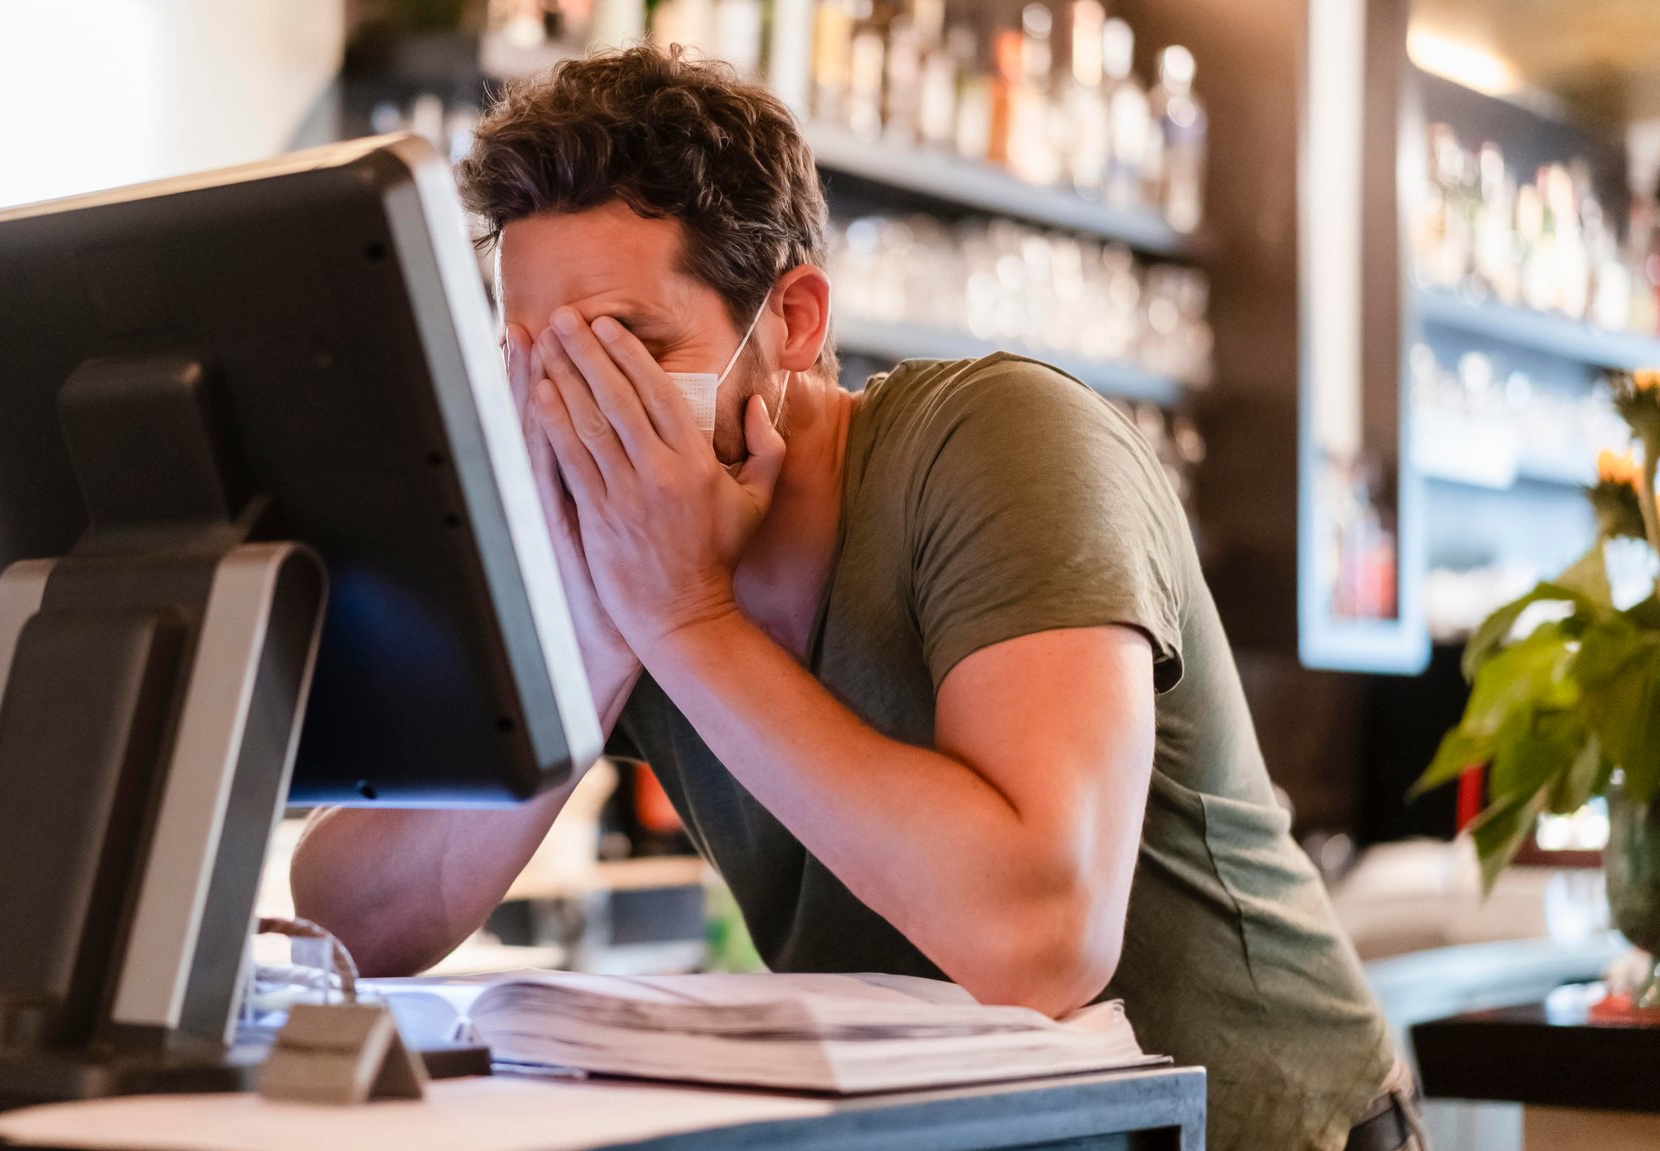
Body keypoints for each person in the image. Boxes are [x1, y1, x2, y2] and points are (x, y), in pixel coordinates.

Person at [292, 44, 1419, 1151]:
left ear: (792, 321)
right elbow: (354, 918)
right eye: (535, 361)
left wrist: (684, 621)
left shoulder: (1001, 441)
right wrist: (597, 623)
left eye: (628, 351)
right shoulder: (613, 555)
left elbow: (1038, 941)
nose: (579, 411)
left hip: (1272, 1123)